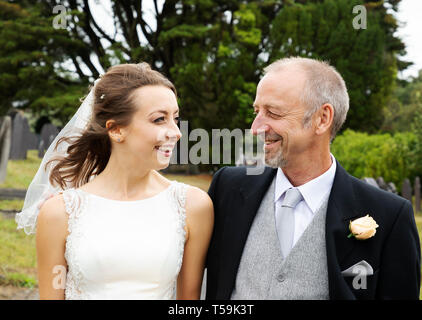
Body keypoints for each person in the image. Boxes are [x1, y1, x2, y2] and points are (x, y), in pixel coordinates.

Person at [205, 57, 421, 300]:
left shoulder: (389, 217)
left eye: (273, 113)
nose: (256, 128)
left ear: (322, 119)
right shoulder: (228, 188)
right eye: (257, 112)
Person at [15, 63, 214, 300]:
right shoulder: (60, 212)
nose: (176, 132)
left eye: (176, 118)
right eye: (160, 119)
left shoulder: (193, 206)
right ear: (116, 130)